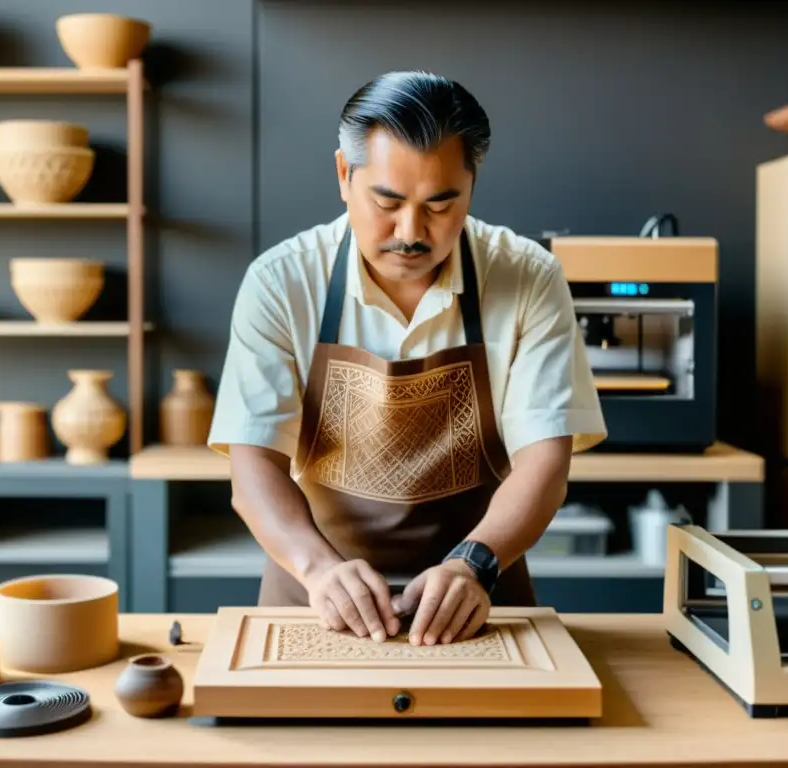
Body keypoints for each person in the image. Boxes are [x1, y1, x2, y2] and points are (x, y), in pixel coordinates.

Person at [207, 70, 606, 647]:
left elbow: (545, 465)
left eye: (441, 204)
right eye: (387, 202)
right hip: (316, 600)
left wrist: (473, 564)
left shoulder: (527, 278)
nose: (411, 232)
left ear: (471, 186)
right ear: (344, 175)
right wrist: (320, 570)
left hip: (477, 600)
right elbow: (253, 468)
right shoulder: (281, 282)